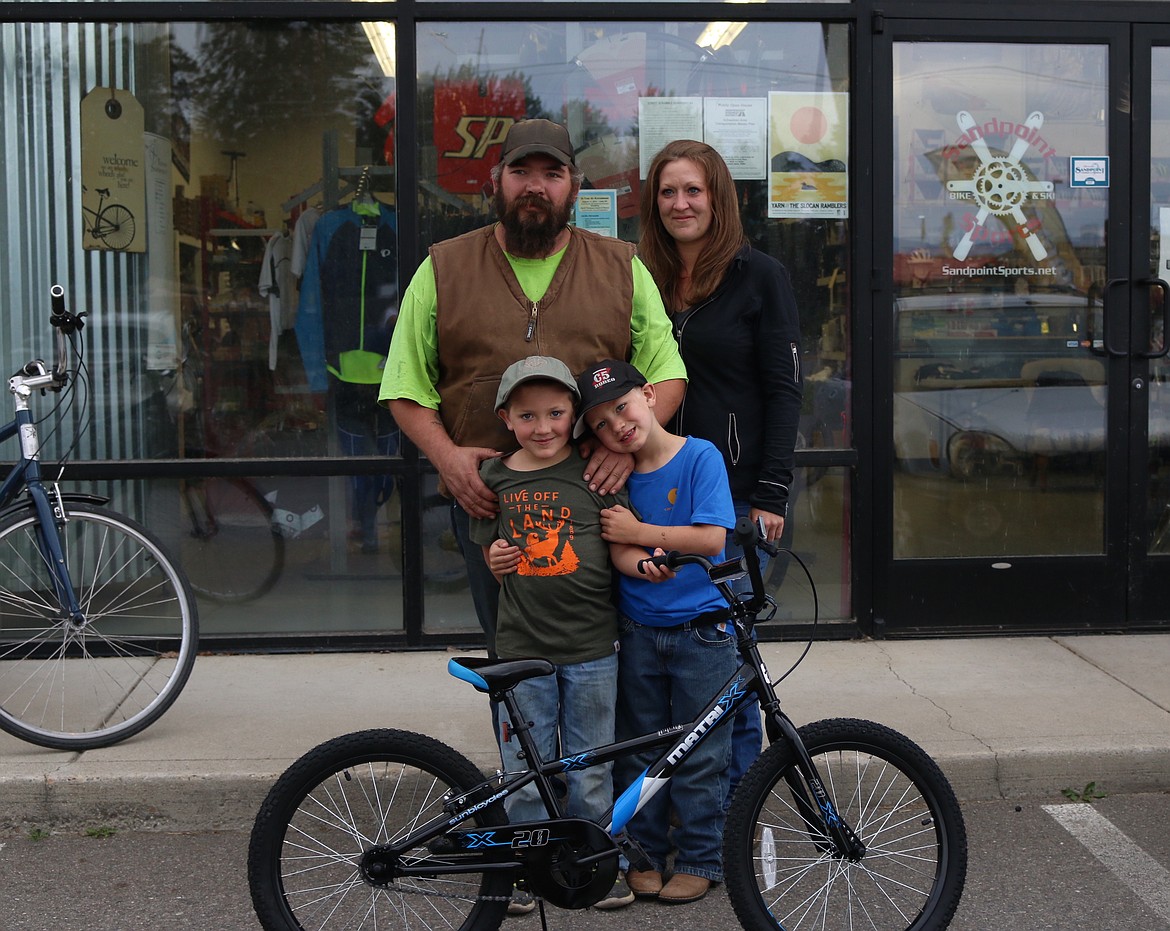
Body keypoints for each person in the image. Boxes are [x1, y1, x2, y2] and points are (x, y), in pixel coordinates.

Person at [379, 118, 686, 660]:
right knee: (510, 655)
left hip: (596, 503)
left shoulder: (621, 267)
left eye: (553, 173)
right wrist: (448, 459)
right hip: (490, 502)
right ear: (496, 180)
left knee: (605, 654)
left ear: (575, 184)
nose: (535, 187)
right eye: (520, 172)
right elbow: (405, 385)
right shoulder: (442, 269)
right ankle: (523, 747)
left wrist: (624, 442)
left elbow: (666, 373)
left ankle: (593, 748)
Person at [639, 139, 803, 807]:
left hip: (731, 498)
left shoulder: (759, 275)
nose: (680, 203)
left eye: (693, 190)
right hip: (650, 490)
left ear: (718, 198)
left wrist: (771, 491)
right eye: (668, 191)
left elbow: (785, 390)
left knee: (728, 663)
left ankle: (734, 811)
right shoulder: (638, 274)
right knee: (656, 662)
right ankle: (676, 810)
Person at [468, 355, 638, 913]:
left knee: (591, 763)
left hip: (592, 646)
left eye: (556, 413)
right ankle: (527, 869)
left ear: (576, 417)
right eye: (528, 415)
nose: (543, 427)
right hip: (521, 648)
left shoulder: (594, 471)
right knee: (524, 767)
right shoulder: (494, 477)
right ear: (506, 418)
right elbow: (488, 545)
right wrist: (495, 555)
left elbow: (623, 537)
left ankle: (595, 864)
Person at [574, 358, 736, 906]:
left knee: (702, 751)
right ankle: (641, 854)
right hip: (639, 630)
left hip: (703, 632)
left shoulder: (700, 456)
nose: (616, 425)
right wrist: (639, 561)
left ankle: (698, 856)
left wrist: (642, 532)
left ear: (648, 394)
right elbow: (616, 545)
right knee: (641, 750)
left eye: (622, 406)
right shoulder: (615, 477)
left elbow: (711, 538)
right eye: (599, 423)